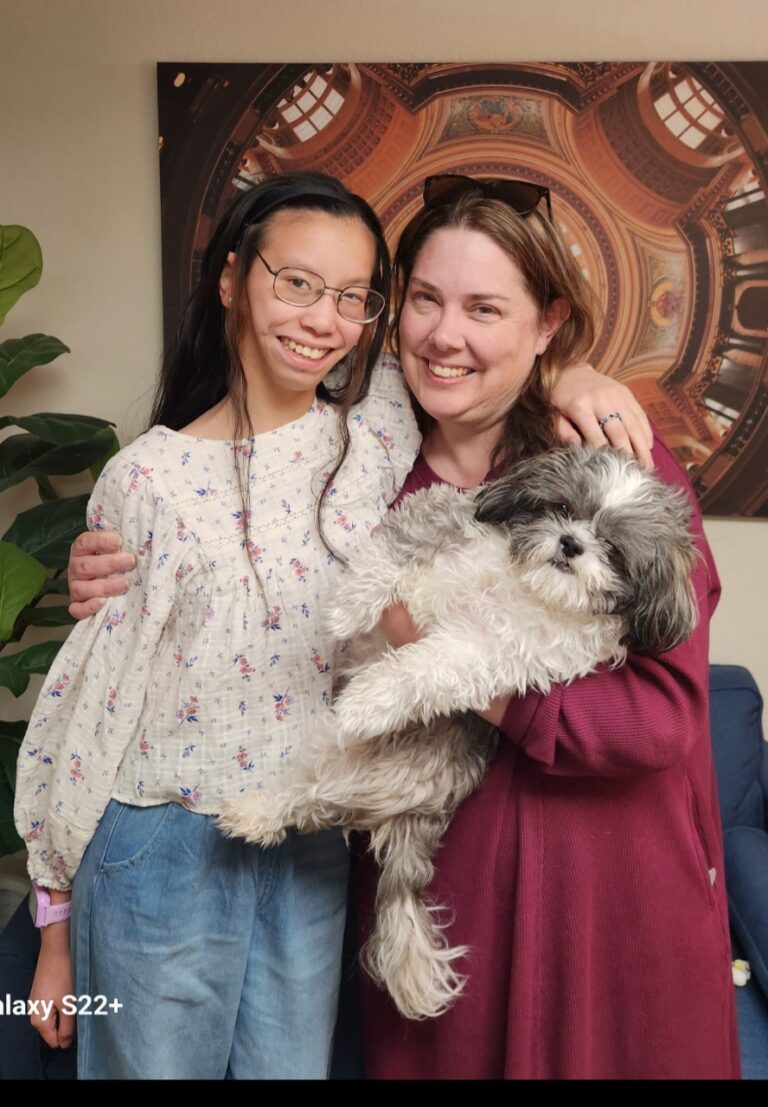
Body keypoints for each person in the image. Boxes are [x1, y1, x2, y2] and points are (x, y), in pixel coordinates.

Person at [38, 171, 654, 1079]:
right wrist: (55, 925)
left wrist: (578, 369)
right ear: (232, 279)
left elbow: (482, 347)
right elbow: (91, 696)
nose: (322, 318)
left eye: (352, 297)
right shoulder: (146, 478)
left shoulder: (371, 439)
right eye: (295, 283)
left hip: (310, 840)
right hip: (157, 836)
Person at [353, 175, 739, 1079]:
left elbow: (661, 717)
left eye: (486, 307)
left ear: (549, 324)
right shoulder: (362, 470)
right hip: (443, 901)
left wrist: (452, 665)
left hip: (614, 903)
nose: (446, 335)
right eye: (425, 300)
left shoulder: (618, 465)